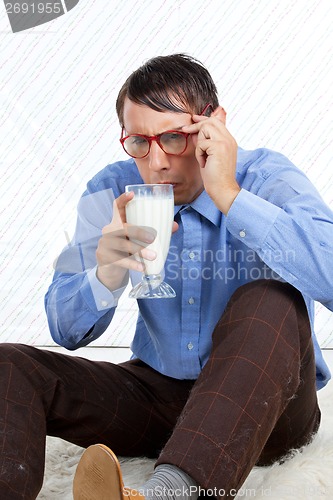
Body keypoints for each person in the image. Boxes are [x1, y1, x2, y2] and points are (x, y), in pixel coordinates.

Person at [0, 54, 332, 500]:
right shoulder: (113, 188)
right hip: (160, 397)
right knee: (10, 365)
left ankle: (168, 494)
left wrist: (229, 195)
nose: (155, 162)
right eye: (139, 142)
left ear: (213, 125)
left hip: (271, 411)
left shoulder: (265, 176)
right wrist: (107, 272)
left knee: (269, 297)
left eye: (174, 137)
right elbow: (65, 328)